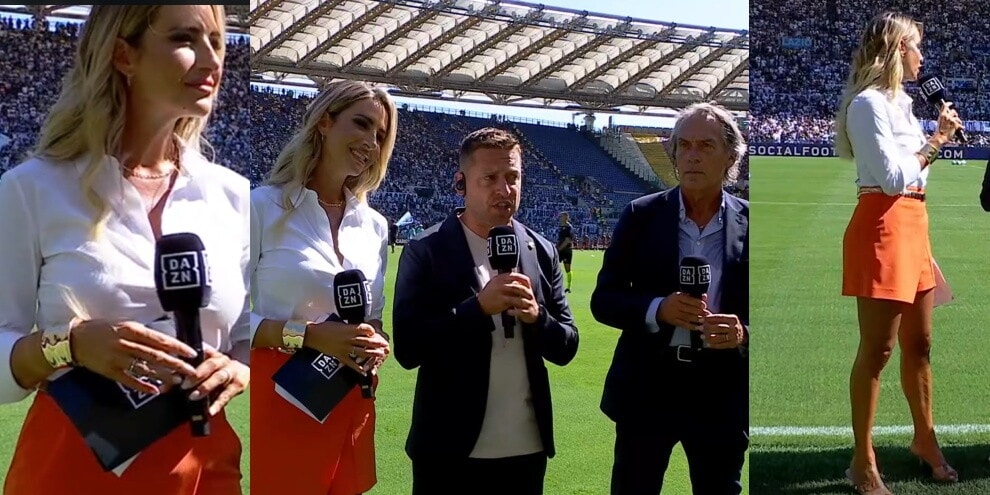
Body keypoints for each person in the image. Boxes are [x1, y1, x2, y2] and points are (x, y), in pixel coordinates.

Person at [0, 5, 250, 494]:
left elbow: (244, 333)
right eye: (185, 39)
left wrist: (239, 366)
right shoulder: (32, 189)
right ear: (123, 55)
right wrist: (69, 344)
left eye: (217, 42)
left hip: (206, 468)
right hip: (72, 470)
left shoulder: (234, 196)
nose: (211, 60)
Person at [393, 127, 579, 495]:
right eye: (490, 178)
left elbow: (567, 346)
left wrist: (537, 316)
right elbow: (409, 349)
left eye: (513, 177)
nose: (504, 189)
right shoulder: (426, 250)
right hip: (448, 450)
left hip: (526, 449)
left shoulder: (541, 250)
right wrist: (477, 308)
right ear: (461, 183)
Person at [834, 12, 964, 493]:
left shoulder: (904, 103)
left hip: (913, 224)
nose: (922, 57)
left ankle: (924, 440)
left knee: (921, 344)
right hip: (882, 225)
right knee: (879, 349)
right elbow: (891, 179)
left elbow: (915, 175)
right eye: (915, 46)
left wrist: (934, 143)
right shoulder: (867, 104)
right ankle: (862, 461)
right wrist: (937, 140)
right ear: (896, 50)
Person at [590, 101, 749, 495]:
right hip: (648, 389)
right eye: (684, 146)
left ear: (731, 157)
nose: (692, 155)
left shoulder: (753, 221)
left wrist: (743, 333)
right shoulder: (640, 215)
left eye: (706, 146)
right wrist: (657, 309)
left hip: (721, 393)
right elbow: (604, 299)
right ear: (674, 155)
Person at [249, 79, 395, 495]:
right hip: (285, 396)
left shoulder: (375, 226)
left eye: (380, 134)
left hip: (352, 396)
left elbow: (373, 319)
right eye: (361, 124)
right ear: (325, 122)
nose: (371, 142)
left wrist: (375, 340)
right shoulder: (262, 206)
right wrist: (310, 336)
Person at [556, 212, 574, 293]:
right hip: (560, 249)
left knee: (567, 269)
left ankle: (568, 287)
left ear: (566, 218)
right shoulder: (561, 227)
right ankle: (556, 285)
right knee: (554, 266)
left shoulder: (569, 228)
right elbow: (560, 239)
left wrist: (559, 249)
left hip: (566, 250)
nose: (560, 218)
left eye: (562, 216)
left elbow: (567, 240)